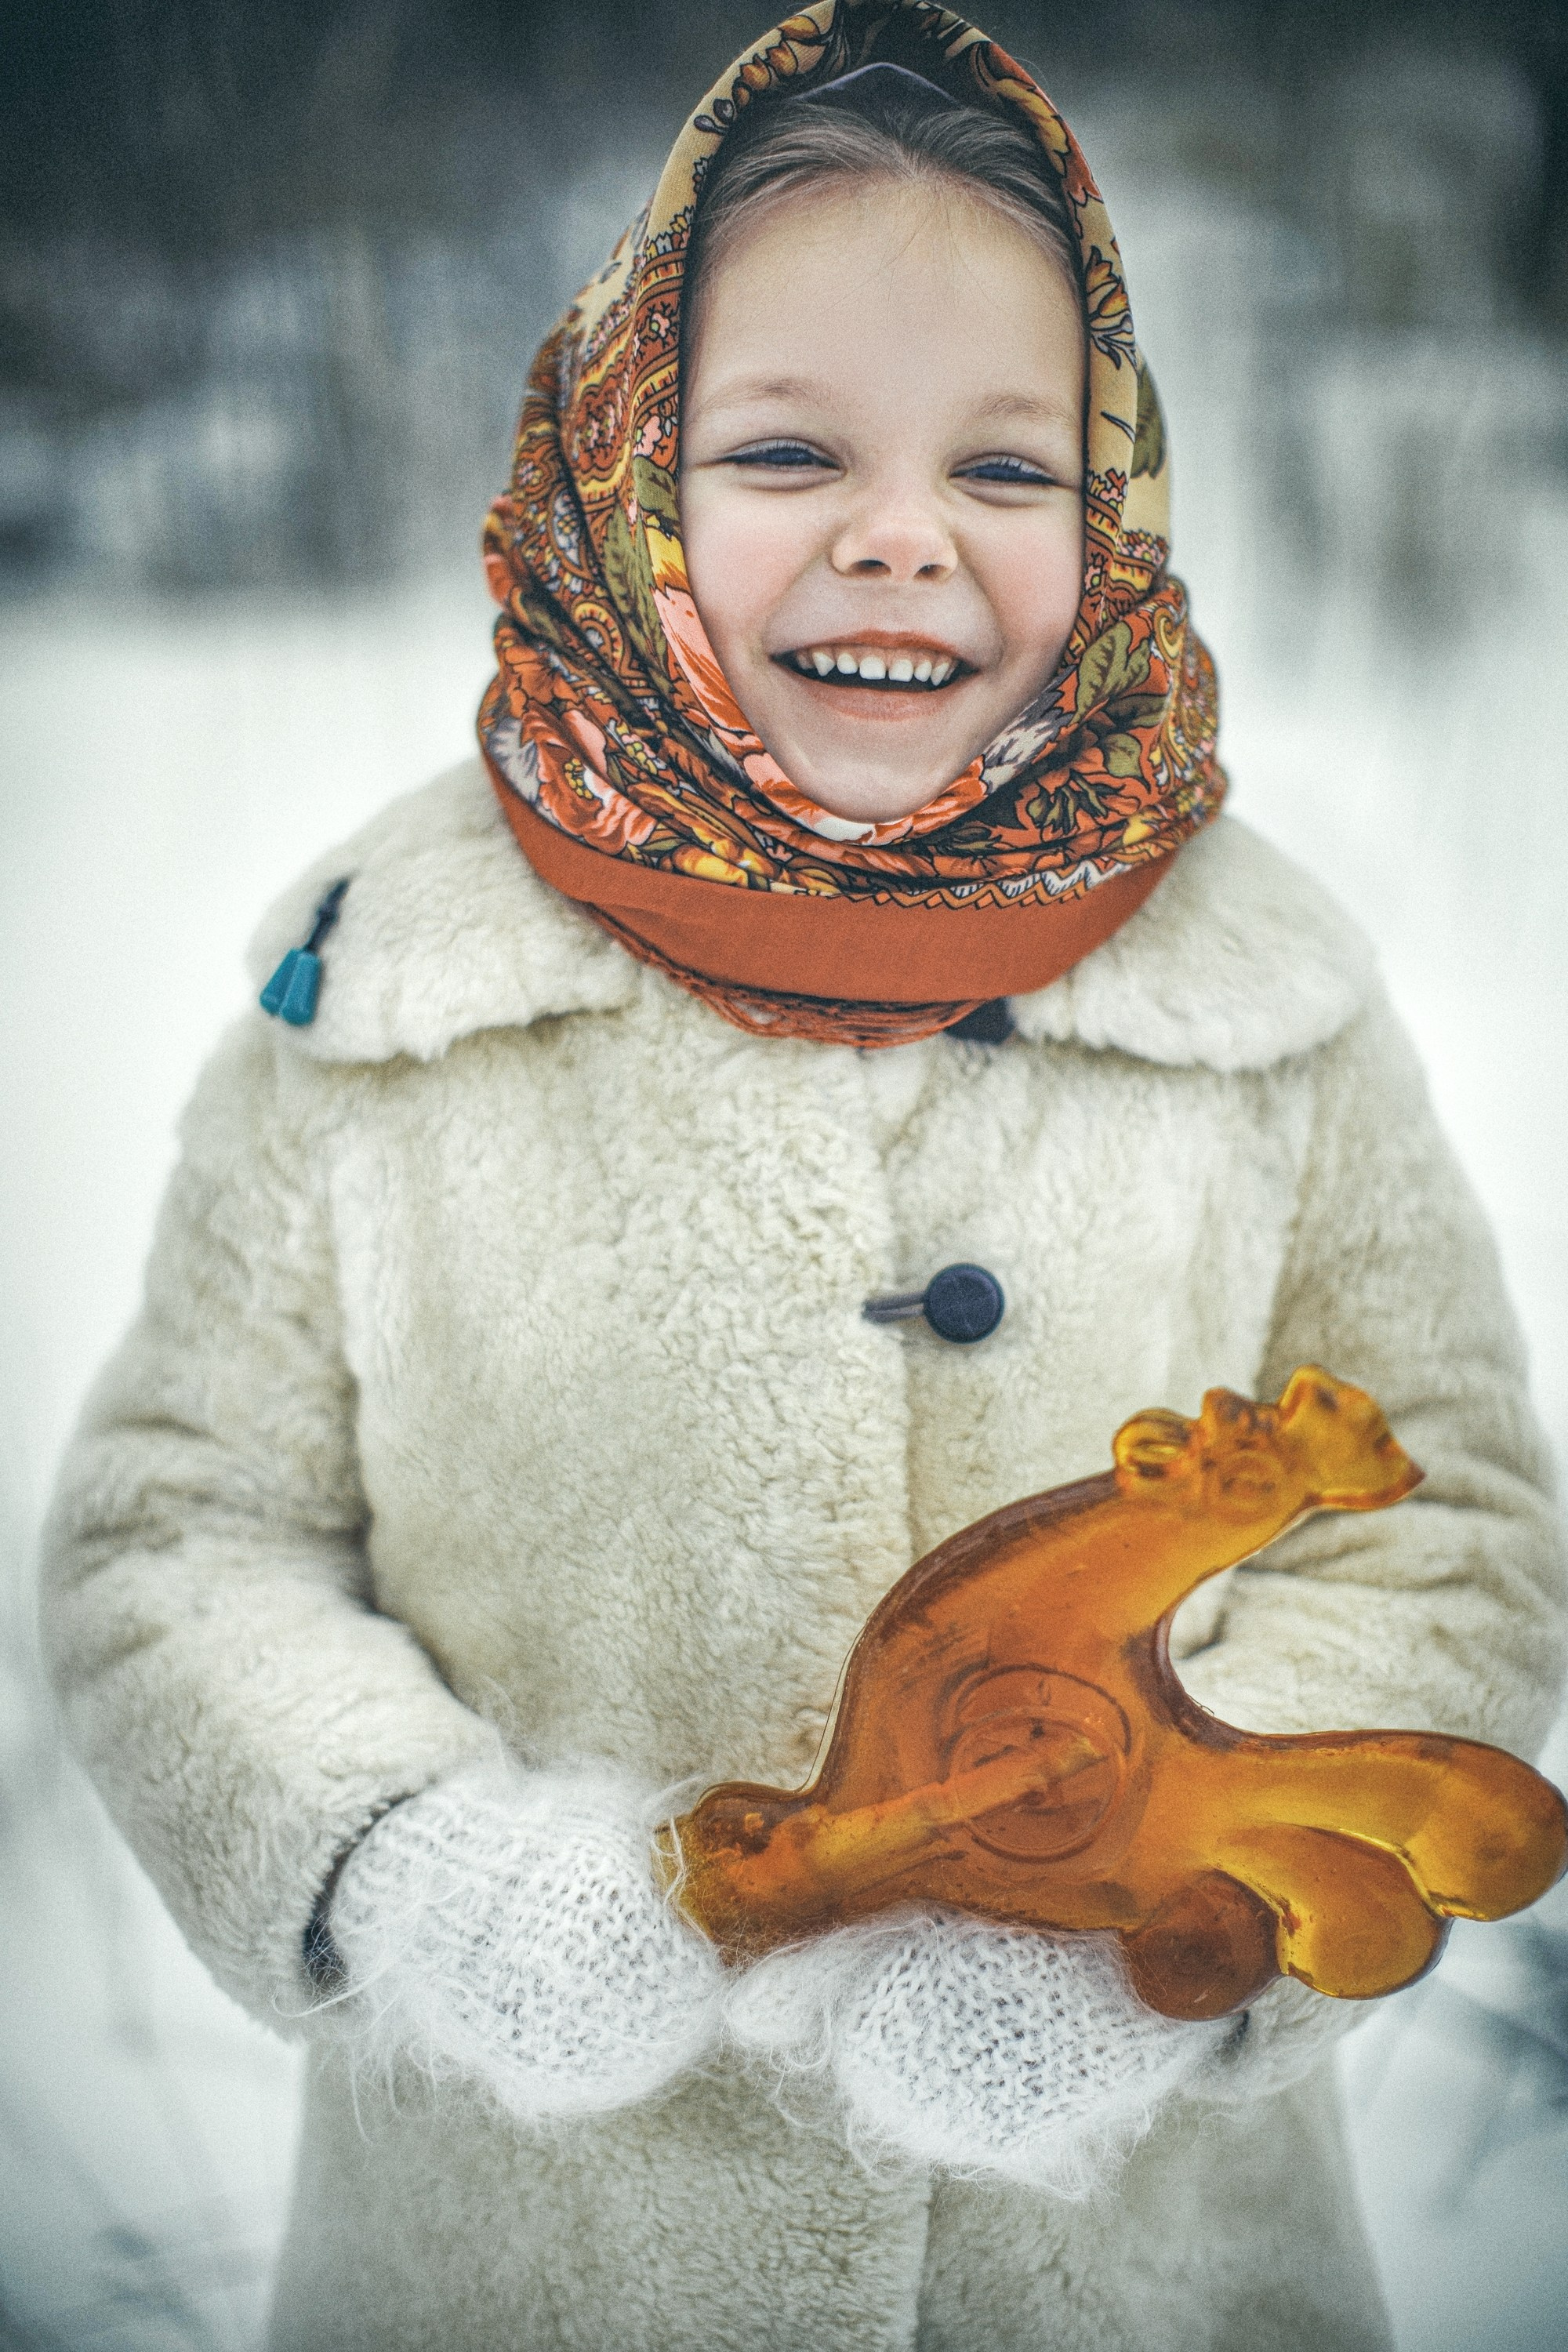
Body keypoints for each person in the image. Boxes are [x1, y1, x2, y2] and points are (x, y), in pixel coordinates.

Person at [39, 6, 1566, 2349]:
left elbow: (1449, 1522)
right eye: (783, 450)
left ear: (1115, 505)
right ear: (619, 478)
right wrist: (424, 1878)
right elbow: (178, 1536)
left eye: (1007, 465)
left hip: (1146, 2286)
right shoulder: (390, 994)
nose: (903, 534)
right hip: (524, 2274)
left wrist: (1171, 1931)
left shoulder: (1262, 995)